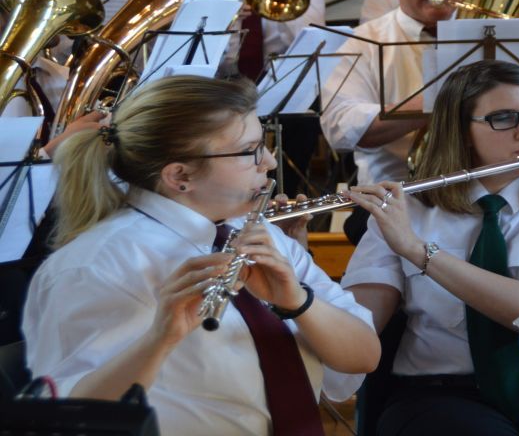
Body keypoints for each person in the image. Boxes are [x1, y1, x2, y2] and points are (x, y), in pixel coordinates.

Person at [21, 75, 379, 434]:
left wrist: (298, 302)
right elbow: (66, 419)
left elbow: (364, 355)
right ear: (180, 176)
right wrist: (160, 339)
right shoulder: (94, 266)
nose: (269, 162)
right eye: (250, 150)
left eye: (265, 144)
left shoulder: (259, 233)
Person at [341, 60, 519, 435]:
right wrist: (294, 250)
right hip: (439, 393)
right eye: (503, 118)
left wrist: (419, 251)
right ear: (461, 132)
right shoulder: (406, 210)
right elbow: (352, 328)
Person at [320, 0, 461, 243]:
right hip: (395, 200)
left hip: (479, 196)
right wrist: (434, 103)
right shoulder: (361, 41)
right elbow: (341, 128)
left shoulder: (495, 35)